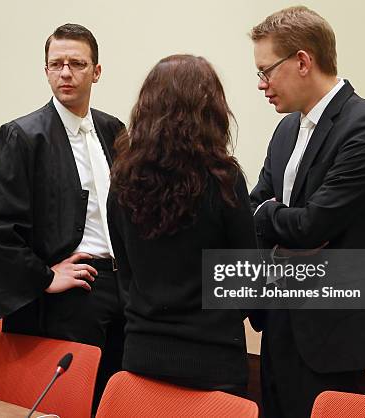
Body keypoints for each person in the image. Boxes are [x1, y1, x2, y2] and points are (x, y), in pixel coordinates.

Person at [248, 6, 365, 418]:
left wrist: (271, 218)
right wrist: (276, 220)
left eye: (266, 71)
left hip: (331, 333)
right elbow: (255, 209)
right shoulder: (286, 128)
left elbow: (313, 224)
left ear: (302, 61)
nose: (261, 85)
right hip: (278, 319)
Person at [0, 23, 126, 404]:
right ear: (46, 71)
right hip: (64, 299)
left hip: (119, 290)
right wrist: (43, 277)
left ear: (97, 71)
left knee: (110, 398)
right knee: (66, 403)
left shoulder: (113, 130)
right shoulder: (22, 136)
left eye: (77, 63)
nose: (66, 73)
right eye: (56, 64)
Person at [107, 54, 256, 397]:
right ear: (211, 110)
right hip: (213, 360)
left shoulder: (122, 180)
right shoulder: (224, 180)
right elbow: (246, 284)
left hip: (142, 355)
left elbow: (125, 273)